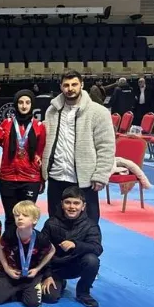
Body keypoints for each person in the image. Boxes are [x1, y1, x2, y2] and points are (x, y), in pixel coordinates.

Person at [42, 70, 116, 223]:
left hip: (84, 179)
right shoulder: (52, 111)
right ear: (61, 87)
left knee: (88, 225)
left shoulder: (98, 112)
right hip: (56, 177)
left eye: (74, 84)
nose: (70, 88)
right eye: (66, 85)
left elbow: (106, 146)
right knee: (55, 224)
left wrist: (101, 175)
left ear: (81, 85)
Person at [41, 187, 102, 307]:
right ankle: (60, 282)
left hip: (76, 265)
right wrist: (47, 275)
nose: (72, 207)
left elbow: (97, 248)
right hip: (55, 267)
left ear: (83, 206)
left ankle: (83, 292)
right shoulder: (51, 223)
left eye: (76, 203)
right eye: (68, 202)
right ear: (62, 204)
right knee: (49, 297)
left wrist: (76, 245)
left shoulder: (91, 225)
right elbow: (41, 250)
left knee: (92, 260)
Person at [0, 200, 54, 307]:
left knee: (33, 304)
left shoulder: (41, 238)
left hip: (30, 276)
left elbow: (52, 251)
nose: (20, 218)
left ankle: (21, 291)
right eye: (17, 215)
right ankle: (16, 292)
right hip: (12, 273)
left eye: (25, 215)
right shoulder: (9, 234)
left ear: (35, 220)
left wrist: (37, 269)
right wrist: (7, 268)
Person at [0, 90, 46, 233]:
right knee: (10, 217)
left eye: (27, 102)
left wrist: (42, 179)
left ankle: (27, 244)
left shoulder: (39, 126)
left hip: (30, 178)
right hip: (8, 178)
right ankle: (10, 245)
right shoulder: (6, 124)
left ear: (32, 105)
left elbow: (41, 152)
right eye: (20, 102)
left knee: (27, 217)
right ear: (15, 104)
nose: (24, 106)